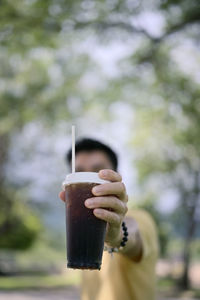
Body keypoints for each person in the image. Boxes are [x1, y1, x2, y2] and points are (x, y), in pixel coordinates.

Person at [59, 138, 159, 300]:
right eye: (80, 171)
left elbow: (132, 235)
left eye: (98, 171)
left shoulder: (141, 218)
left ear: (116, 178)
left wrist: (117, 235)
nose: (88, 177)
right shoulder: (77, 229)